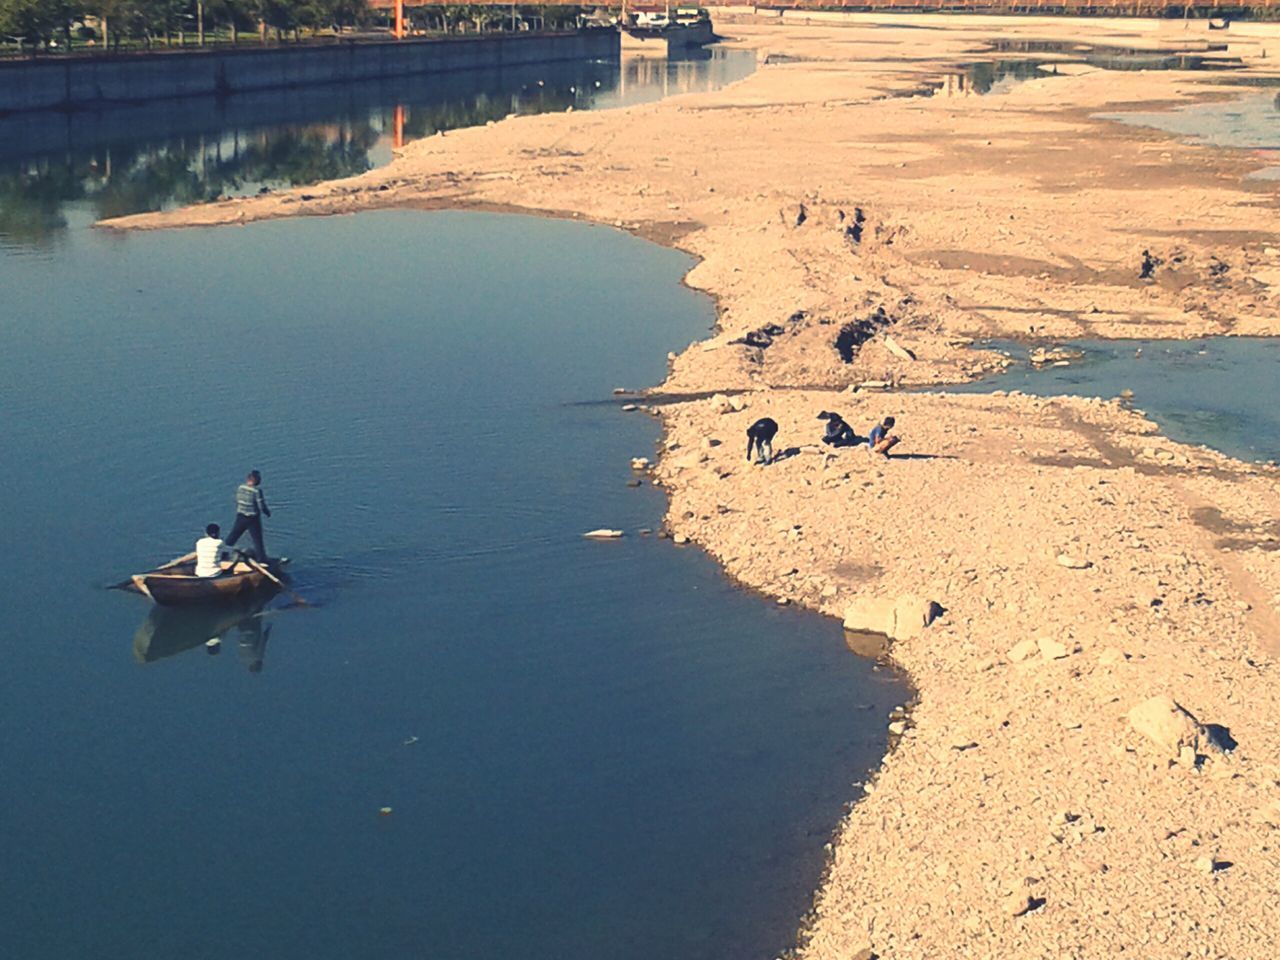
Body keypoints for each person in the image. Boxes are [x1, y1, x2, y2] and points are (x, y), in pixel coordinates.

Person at [226, 469, 271, 562]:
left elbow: (238, 499)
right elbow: (261, 505)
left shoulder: (240, 487)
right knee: (257, 540)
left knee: (233, 536)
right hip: (252, 518)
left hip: (240, 516)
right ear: (256, 480)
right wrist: (267, 513)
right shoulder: (256, 491)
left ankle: (223, 553)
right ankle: (262, 560)